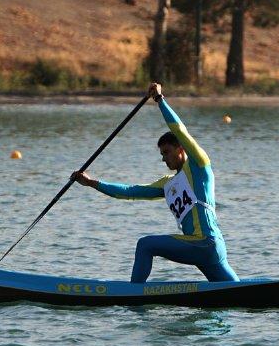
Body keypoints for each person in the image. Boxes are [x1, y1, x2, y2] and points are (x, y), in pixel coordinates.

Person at [72, 83, 239, 283]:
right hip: (208, 248)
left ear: (181, 149)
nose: (163, 159)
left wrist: (160, 100)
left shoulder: (198, 165)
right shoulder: (167, 184)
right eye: (161, 154)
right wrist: (92, 183)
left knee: (145, 245)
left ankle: (131, 294)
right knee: (236, 293)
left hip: (204, 242)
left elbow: (180, 130)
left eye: (166, 152)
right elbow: (130, 192)